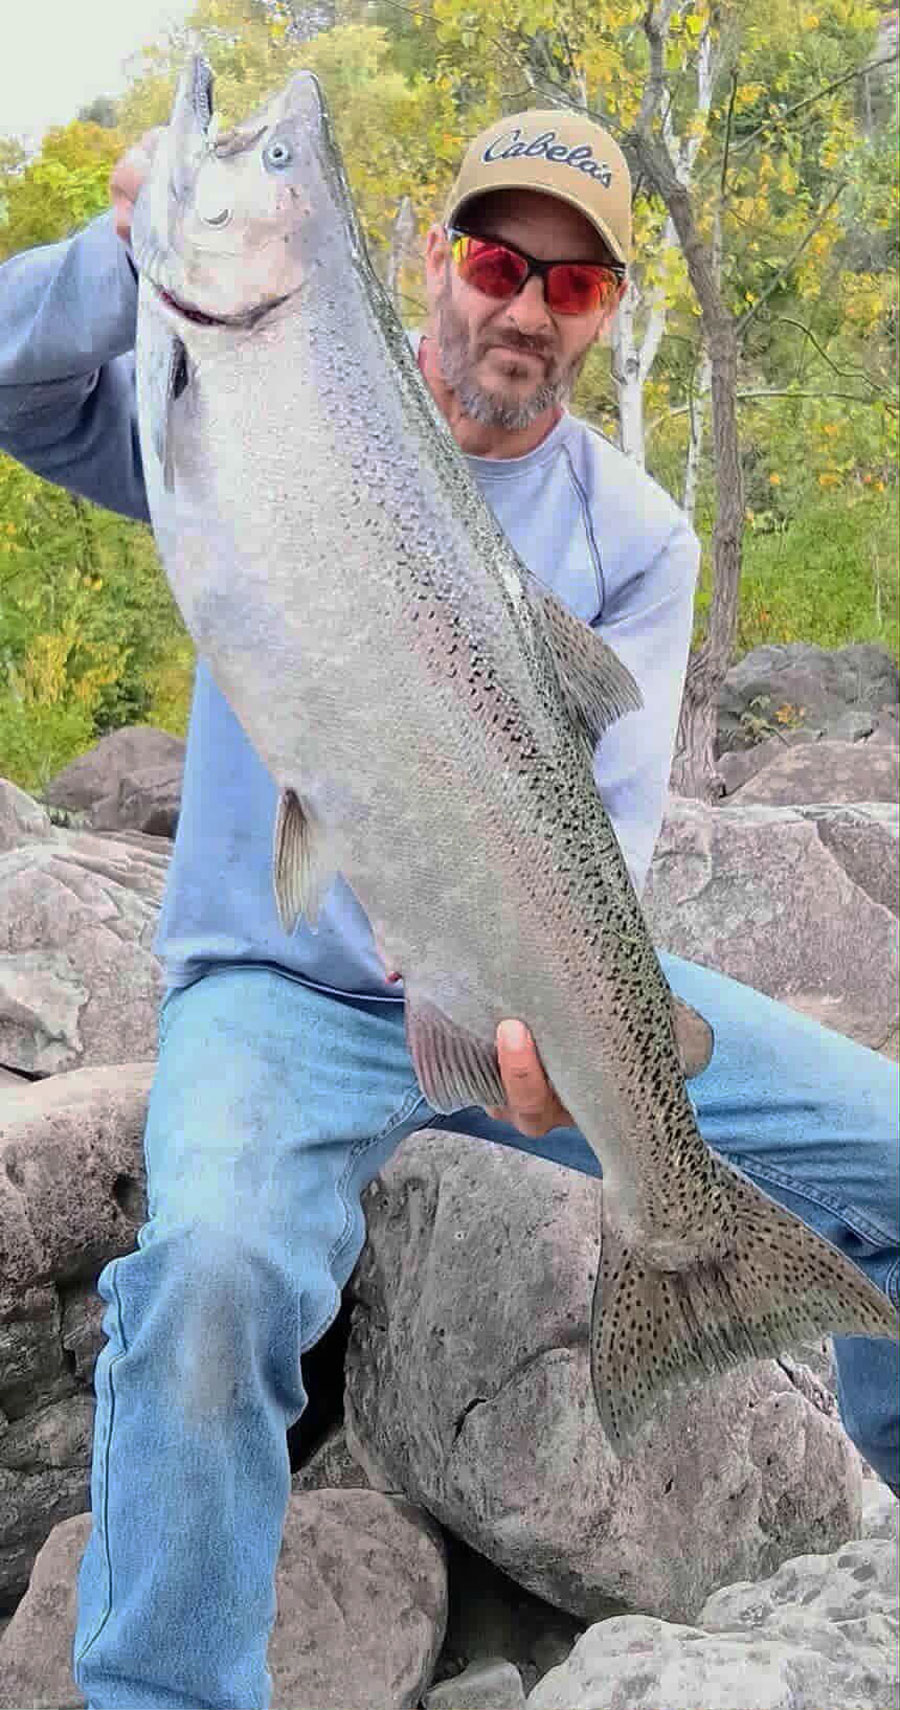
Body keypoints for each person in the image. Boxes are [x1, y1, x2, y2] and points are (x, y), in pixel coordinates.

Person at [0, 99, 896, 1710]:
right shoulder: (230, 392)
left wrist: (563, 1040)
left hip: (528, 957)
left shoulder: (640, 536)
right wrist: (111, 253)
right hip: (271, 985)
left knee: (892, 1148)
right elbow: (15, 375)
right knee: (206, 1279)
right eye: (498, 258)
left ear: (609, 312)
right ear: (432, 259)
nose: (523, 308)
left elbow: (599, 856)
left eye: (575, 287)